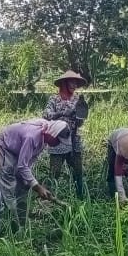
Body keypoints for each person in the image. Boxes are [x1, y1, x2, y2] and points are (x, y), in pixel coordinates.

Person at [0, 118, 69, 229]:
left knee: (23, 187)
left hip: (18, 149)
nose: (58, 144)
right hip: (5, 145)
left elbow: (27, 162)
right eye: (57, 141)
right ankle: (12, 227)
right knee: (8, 185)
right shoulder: (32, 137)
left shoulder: (44, 137)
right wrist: (38, 187)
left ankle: (22, 223)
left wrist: (30, 183)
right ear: (52, 135)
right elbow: (22, 166)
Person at [43, 70, 89, 198]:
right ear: (63, 83)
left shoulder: (77, 100)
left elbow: (80, 123)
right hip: (57, 139)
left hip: (74, 139)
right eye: (71, 82)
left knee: (78, 171)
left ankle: (80, 198)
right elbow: (46, 115)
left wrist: (80, 115)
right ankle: (49, 199)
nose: (74, 85)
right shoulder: (54, 99)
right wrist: (63, 113)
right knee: (54, 172)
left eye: (76, 83)